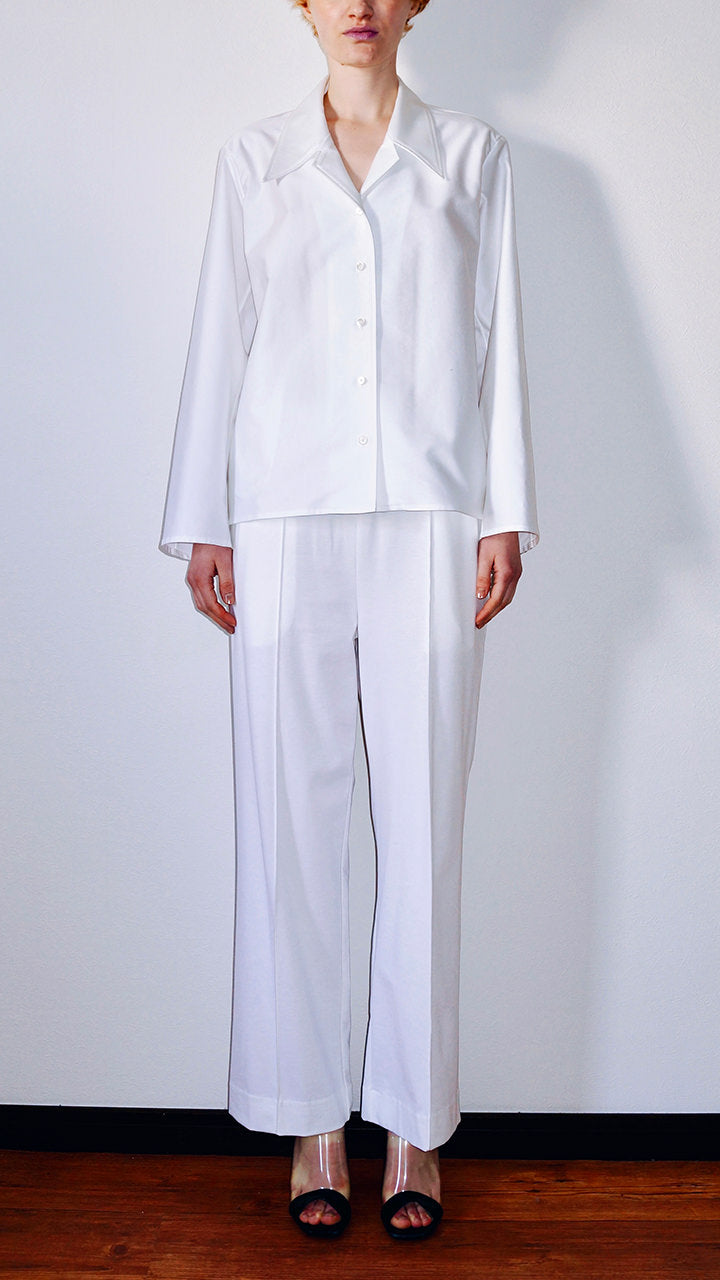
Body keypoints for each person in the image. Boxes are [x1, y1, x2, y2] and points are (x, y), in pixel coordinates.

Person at [160, 0, 539, 1242]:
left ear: (416, 3)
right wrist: (203, 519)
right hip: (282, 514)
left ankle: (413, 1125)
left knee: (423, 821)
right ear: (305, 5)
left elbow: (501, 339)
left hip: (428, 515)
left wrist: (504, 510)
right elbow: (222, 334)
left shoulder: (472, 156)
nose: (360, 7)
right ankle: (311, 1118)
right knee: (289, 817)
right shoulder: (255, 160)